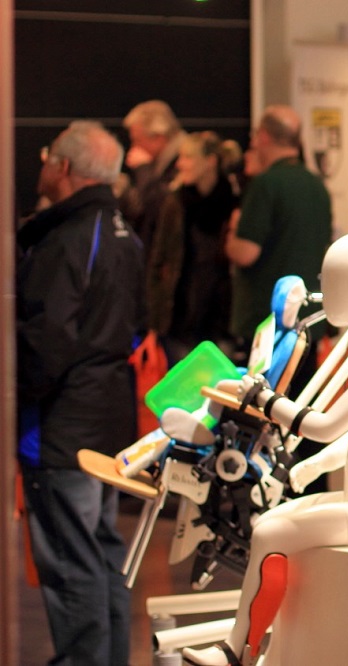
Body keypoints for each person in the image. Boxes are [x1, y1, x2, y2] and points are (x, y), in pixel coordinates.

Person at [181, 231, 348, 666]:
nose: (323, 292)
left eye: (334, 283)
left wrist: (264, 400)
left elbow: (327, 425)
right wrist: (315, 466)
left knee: (269, 533)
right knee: (271, 522)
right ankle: (271, 649)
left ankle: (236, 652)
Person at [17, 120, 143, 666]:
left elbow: (47, 340)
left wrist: (20, 396)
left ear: (62, 167)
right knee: (99, 551)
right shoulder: (122, 231)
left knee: (72, 561)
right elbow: (137, 324)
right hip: (106, 417)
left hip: (63, 424)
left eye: (47, 155)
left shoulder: (69, 237)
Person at [226, 105, 332, 373]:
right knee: (302, 396)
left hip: (269, 322)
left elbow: (246, 252)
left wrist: (232, 231)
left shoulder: (266, 184)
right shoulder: (316, 185)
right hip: (309, 318)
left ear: (263, 136)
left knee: (266, 396)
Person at [148, 132, 241, 362]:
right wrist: (154, 321)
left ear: (210, 161)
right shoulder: (174, 202)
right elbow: (158, 261)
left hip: (222, 318)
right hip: (180, 319)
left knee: (221, 382)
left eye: (188, 157)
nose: (180, 164)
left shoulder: (234, 201)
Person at [121, 99, 185, 255]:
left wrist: (143, 169)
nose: (134, 148)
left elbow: (159, 205)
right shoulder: (158, 164)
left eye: (138, 140)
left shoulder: (184, 162)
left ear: (159, 138)